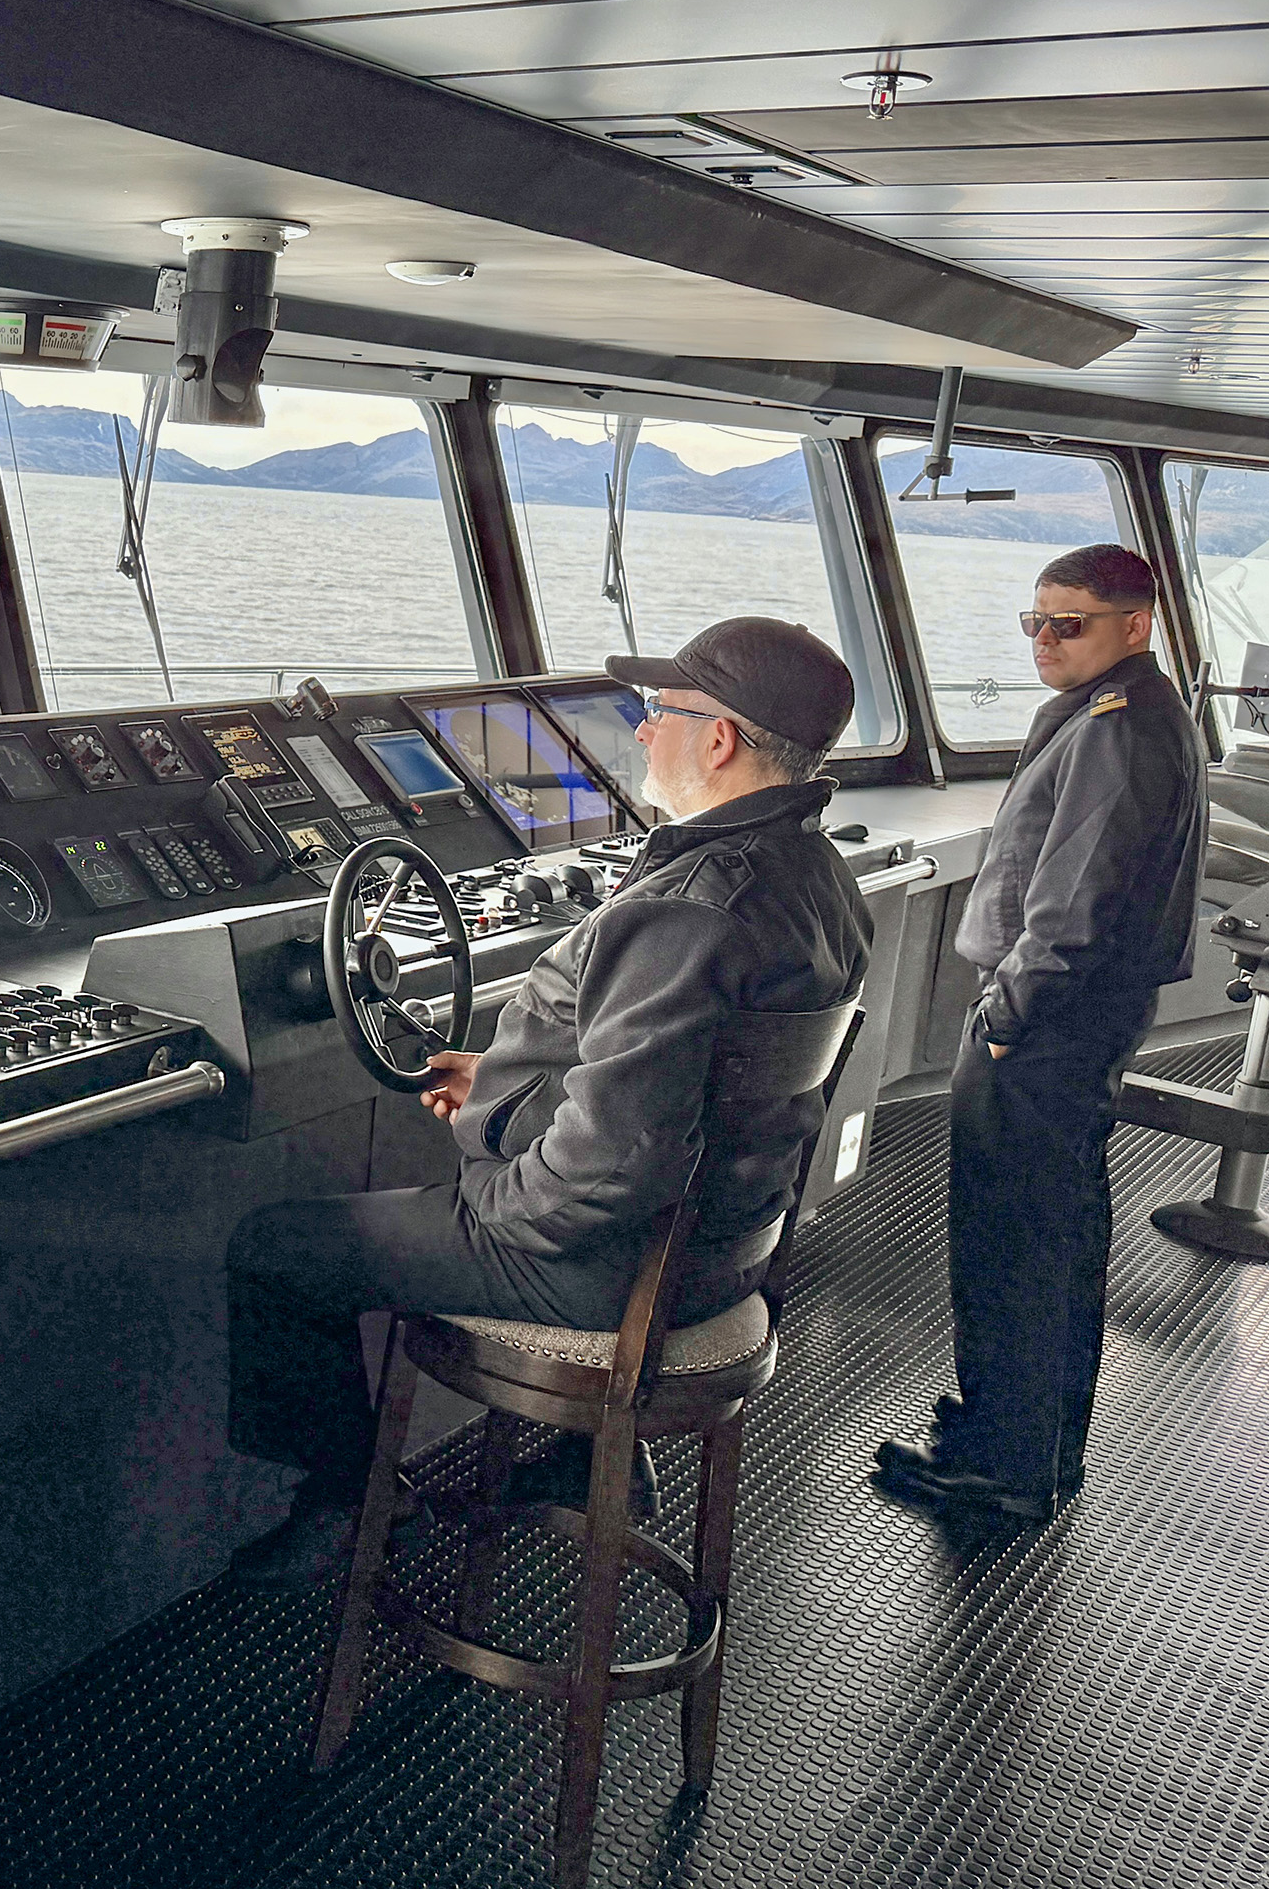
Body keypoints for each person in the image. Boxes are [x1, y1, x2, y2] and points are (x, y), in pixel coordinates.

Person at [227, 618, 872, 1586]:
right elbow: (679, 1092)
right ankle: (593, 1460)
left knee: (277, 1250)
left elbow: (604, 1174)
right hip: (719, 1259)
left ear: (720, 741)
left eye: (660, 711)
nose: (643, 731)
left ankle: (353, 1508)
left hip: (609, 1269)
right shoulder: (820, 880)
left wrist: (485, 1194)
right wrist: (496, 1087)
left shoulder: (686, 910)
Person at [873, 544, 1206, 1525]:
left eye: (1070, 623)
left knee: (1013, 1242)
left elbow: (1075, 907)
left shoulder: (1117, 727)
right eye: (1036, 621)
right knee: (1051, 1235)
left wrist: (1006, 1021)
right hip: (1076, 1016)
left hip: (1048, 1021)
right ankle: (1031, 1443)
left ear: (1135, 626)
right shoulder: (1126, 710)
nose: (1045, 641)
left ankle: (1006, 1471)